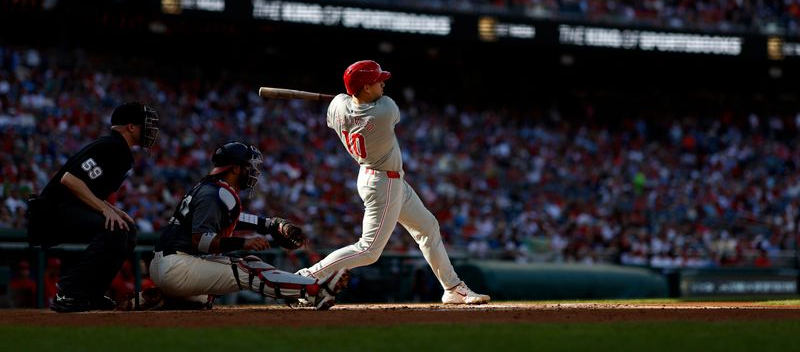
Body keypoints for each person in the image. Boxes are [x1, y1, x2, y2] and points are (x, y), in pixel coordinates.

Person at [296, 60, 490, 305]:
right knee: (368, 250)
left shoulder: (337, 107)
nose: (383, 83)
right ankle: (306, 277)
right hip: (382, 182)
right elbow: (365, 104)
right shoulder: (385, 110)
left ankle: (453, 288)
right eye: (378, 80)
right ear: (365, 88)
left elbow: (344, 102)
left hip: (380, 177)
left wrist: (347, 98)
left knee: (428, 227)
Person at [133, 141, 349, 311]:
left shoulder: (211, 188)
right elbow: (202, 241)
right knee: (247, 269)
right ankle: (314, 291)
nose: (253, 171)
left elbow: (232, 218)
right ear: (235, 169)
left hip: (171, 264)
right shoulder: (215, 193)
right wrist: (244, 242)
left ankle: (158, 299)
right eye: (249, 166)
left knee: (210, 294)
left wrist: (269, 225)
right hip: (177, 265)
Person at [27, 101, 159, 312]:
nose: (151, 130)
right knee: (114, 230)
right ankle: (68, 292)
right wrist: (105, 209)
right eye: (146, 125)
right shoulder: (111, 146)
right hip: (51, 211)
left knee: (128, 230)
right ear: (131, 127)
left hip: (67, 209)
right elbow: (70, 180)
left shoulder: (118, 149)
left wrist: (114, 210)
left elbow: (88, 190)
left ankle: (91, 293)